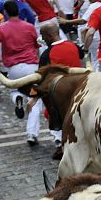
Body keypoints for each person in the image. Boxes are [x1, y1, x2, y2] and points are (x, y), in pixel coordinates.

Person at [0, 0, 42, 145]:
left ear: (5, 12)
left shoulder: (0, 28)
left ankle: (18, 98)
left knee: (14, 90)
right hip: (31, 67)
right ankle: (32, 133)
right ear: (18, 11)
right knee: (35, 98)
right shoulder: (29, 26)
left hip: (14, 69)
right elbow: (37, 45)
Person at [39, 22, 80, 159]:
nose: (42, 39)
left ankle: (60, 144)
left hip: (59, 93)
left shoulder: (46, 55)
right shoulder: (73, 46)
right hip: (79, 88)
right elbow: (80, 56)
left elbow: (42, 78)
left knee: (53, 115)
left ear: (50, 36)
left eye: (43, 36)